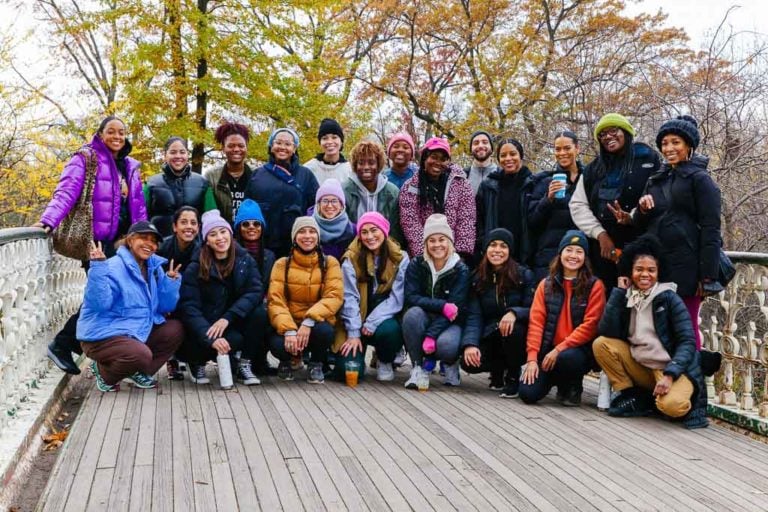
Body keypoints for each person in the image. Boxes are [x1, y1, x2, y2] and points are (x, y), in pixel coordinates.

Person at [35, 115, 147, 376]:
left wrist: (143, 239)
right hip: (97, 244)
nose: (117, 137)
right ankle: (63, 345)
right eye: (111, 131)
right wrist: (49, 219)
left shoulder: (130, 166)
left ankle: (111, 354)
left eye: (122, 132)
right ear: (100, 133)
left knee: (120, 297)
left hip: (124, 243)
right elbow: (66, 190)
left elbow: (139, 207)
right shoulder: (86, 158)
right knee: (103, 298)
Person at [593, 235, 708, 428]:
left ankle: (657, 399)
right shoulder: (628, 297)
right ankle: (633, 395)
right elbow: (606, 330)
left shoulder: (669, 298)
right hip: (642, 366)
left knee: (672, 407)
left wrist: (670, 375)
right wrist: (619, 294)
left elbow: (687, 341)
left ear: (658, 272)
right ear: (630, 271)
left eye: (651, 270)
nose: (644, 275)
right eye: (639, 269)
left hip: (673, 370)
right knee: (601, 344)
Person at [629, 116, 720, 350]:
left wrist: (707, 276)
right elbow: (640, 225)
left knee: (685, 326)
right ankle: (660, 380)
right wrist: (641, 209)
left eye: (675, 142)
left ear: (689, 145)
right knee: (657, 325)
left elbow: (711, 228)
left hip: (687, 266)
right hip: (657, 264)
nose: (669, 148)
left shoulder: (700, 180)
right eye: (665, 143)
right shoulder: (656, 179)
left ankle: (689, 382)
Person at [77, 221, 183, 392]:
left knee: (175, 329)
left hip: (134, 332)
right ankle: (105, 375)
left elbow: (165, 307)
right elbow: (99, 305)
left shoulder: (153, 268)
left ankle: (137, 372)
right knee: (140, 354)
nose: (150, 244)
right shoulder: (111, 266)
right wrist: (97, 268)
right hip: (102, 335)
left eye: (154, 241)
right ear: (131, 240)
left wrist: (170, 282)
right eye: (144, 238)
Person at [569, 113, 660, 290]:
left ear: (625, 131)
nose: (608, 137)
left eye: (613, 130)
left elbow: (659, 195)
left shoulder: (649, 158)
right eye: (602, 134)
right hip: (604, 252)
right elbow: (577, 205)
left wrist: (633, 215)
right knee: (608, 303)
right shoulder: (593, 169)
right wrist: (600, 234)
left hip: (642, 247)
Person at [178, 210, 264, 386]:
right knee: (193, 337)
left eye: (223, 232)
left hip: (230, 321)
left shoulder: (244, 259)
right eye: (213, 234)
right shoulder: (195, 266)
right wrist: (210, 336)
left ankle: (244, 364)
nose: (219, 238)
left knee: (260, 314)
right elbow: (189, 306)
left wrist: (228, 318)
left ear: (231, 234)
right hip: (206, 324)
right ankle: (197, 362)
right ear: (206, 241)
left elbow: (255, 291)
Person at [520, 230, 606, 406]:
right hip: (547, 351)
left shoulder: (595, 285)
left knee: (568, 358)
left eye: (579, 251)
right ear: (560, 254)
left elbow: (590, 325)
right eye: (569, 250)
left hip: (575, 351)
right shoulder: (545, 284)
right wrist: (532, 359)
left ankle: (571, 385)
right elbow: (536, 323)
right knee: (528, 394)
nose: (573, 256)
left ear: (585, 257)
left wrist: (559, 349)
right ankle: (552, 379)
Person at [333, 212, 409, 382]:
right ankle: (358, 359)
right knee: (347, 371)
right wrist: (353, 333)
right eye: (364, 232)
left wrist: (372, 322)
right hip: (355, 317)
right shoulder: (350, 259)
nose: (370, 236)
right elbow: (349, 297)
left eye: (374, 230)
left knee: (390, 331)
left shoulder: (400, 258)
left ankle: (384, 359)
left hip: (383, 316)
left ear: (384, 231)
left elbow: (397, 298)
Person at [268, 217, 343, 383]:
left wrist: (309, 321)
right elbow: (276, 300)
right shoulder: (282, 264)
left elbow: (334, 296)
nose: (307, 236)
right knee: (277, 343)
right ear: (294, 237)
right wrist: (289, 330)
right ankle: (286, 361)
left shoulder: (330, 263)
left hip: (315, 325)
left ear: (318, 236)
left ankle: (316, 363)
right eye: (301, 231)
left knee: (325, 332)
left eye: (312, 231)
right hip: (291, 325)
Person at [462, 229, 536, 397]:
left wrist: (514, 313)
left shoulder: (524, 275)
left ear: (510, 251)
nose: (497, 250)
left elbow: (534, 309)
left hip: (517, 333)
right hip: (491, 332)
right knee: (469, 363)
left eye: (503, 246)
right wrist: (470, 344)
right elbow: (474, 315)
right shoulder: (477, 278)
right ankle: (497, 370)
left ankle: (512, 375)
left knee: (512, 329)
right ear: (485, 249)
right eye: (493, 245)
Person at [402, 214, 471, 390]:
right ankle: (418, 367)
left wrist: (431, 335)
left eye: (442, 239)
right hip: (426, 315)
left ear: (450, 241)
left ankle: (449, 363)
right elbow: (411, 296)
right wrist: (441, 305)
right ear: (426, 243)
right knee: (411, 315)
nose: (437, 244)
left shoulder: (461, 269)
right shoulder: (417, 264)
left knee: (447, 345)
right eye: (431, 240)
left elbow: (455, 309)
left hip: (451, 321)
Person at [245, 128, 319, 257]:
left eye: (288, 144)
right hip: (264, 243)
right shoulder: (257, 175)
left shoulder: (306, 175)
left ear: (294, 148)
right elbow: (247, 207)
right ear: (271, 146)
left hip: (295, 243)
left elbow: (315, 208)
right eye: (278, 143)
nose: (282, 147)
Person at [399, 137, 475, 259]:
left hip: (454, 254)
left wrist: (460, 256)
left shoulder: (461, 183)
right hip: (424, 255)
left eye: (443, 159)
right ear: (424, 158)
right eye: (433, 157)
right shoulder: (410, 187)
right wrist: (425, 256)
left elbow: (466, 219)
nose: (438, 163)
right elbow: (410, 223)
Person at [528, 131, 584, 280]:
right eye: (557, 149)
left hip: (580, 254)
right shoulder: (544, 181)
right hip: (549, 257)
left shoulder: (588, 179)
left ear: (577, 148)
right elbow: (532, 221)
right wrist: (548, 199)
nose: (562, 153)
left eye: (567, 148)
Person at [156, 206, 201, 380]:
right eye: (183, 222)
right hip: (164, 296)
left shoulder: (202, 250)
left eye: (193, 223)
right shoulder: (162, 248)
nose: (189, 227)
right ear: (174, 226)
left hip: (190, 295)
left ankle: (195, 359)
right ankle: (171, 360)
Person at [476, 138, 534, 265]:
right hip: (495, 254)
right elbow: (478, 219)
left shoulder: (532, 183)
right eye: (503, 155)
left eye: (513, 154)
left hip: (524, 253)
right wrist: (483, 242)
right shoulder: (488, 186)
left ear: (521, 156)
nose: (508, 159)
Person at [144, 136, 214, 237]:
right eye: (173, 152)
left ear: (187, 154)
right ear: (165, 155)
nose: (178, 156)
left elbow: (212, 218)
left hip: (195, 246)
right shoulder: (151, 183)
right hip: (160, 246)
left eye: (182, 152)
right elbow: (141, 217)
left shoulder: (202, 183)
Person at [343, 140, 404, 245]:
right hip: (353, 247)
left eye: (371, 163)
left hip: (385, 247)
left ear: (379, 164)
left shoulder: (392, 193)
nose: (366, 167)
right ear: (355, 165)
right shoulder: (345, 190)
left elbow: (396, 231)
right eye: (361, 163)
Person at [204, 122, 253, 224]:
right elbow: (209, 212)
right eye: (231, 146)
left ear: (246, 147)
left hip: (251, 234)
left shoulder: (257, 175)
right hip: (222, 235)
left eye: (241, 145)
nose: (236, 149)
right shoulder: (211, 177)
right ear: (223, 148)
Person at [311, 178, 356, 260]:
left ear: (341, 205)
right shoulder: (308, 227)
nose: (329, 206)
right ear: (318, 204)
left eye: (334, 201)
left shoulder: (353, 230)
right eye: (325, 201)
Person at [303, 118, 352, 185]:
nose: (329, 142)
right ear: (320, 142)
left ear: (341, 141)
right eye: (325, 138)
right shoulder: (308, 169)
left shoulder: (350, 170)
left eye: (334, 137)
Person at [464, 130, 499, 194]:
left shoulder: (502, 174)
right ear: (471, 149)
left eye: (485, 142)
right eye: (476, 143)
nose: (480, 146)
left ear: (491, 147)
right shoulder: (463, 176)